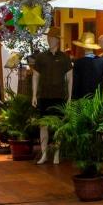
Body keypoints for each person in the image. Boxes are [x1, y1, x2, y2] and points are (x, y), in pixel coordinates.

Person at [32, 27, 72, 164]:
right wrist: (34, 95)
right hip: (44, 96)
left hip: (59, 96)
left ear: (57, 40)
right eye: (48, 38)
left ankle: (56, 153)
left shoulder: (65, 58)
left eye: (52, 38)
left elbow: (70, 78)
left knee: (58, 126)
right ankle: (44, 154)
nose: (50, 40)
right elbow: (36, 76)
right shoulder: (41, 57)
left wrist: (70, 97)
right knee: (43, 125)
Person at [71, 32, 103, 99]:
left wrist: (73, 99)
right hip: (97, 99)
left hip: (82, 98)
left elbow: (75, 84)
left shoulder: (78, 62)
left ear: (83, 47)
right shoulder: (102, 61)